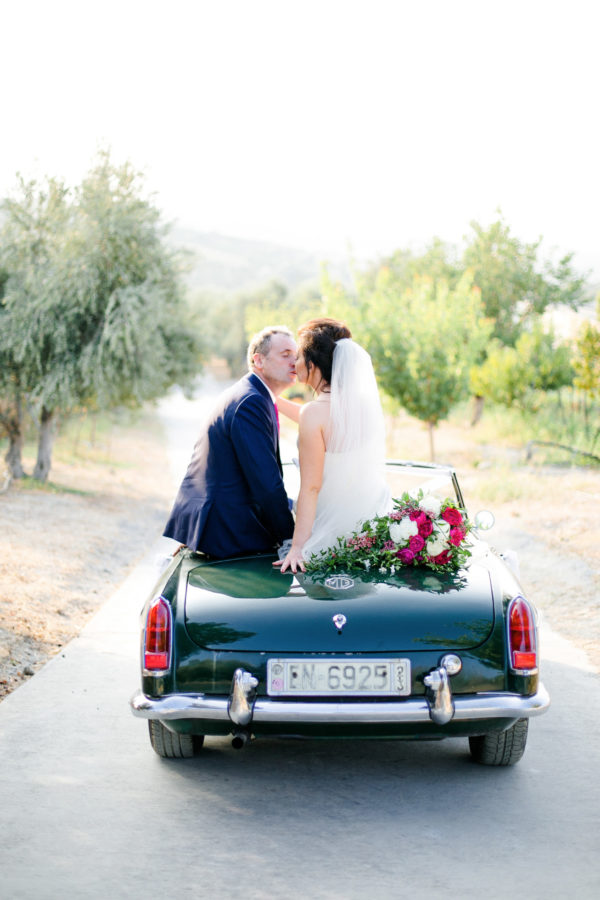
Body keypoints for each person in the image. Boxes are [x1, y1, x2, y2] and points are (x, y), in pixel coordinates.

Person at [163, 326, 297, 558]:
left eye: (296, 356)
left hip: (221, 521)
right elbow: (266, 483)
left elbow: (238, 474)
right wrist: (291, 539)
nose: (294, 362)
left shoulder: (252, 394)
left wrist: (294, 505)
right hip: (227, 531)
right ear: (259, 360)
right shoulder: (251, 401)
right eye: (285, 355)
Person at [275, 317, 390, 573]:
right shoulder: (361, 406)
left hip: (332, 528)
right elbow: (320, 420)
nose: (295, 363)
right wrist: (275, 400)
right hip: (371, 524)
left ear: (313, 365)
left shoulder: (314, 414)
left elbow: (311, 488)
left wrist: (298, 547)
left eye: (299, 356)